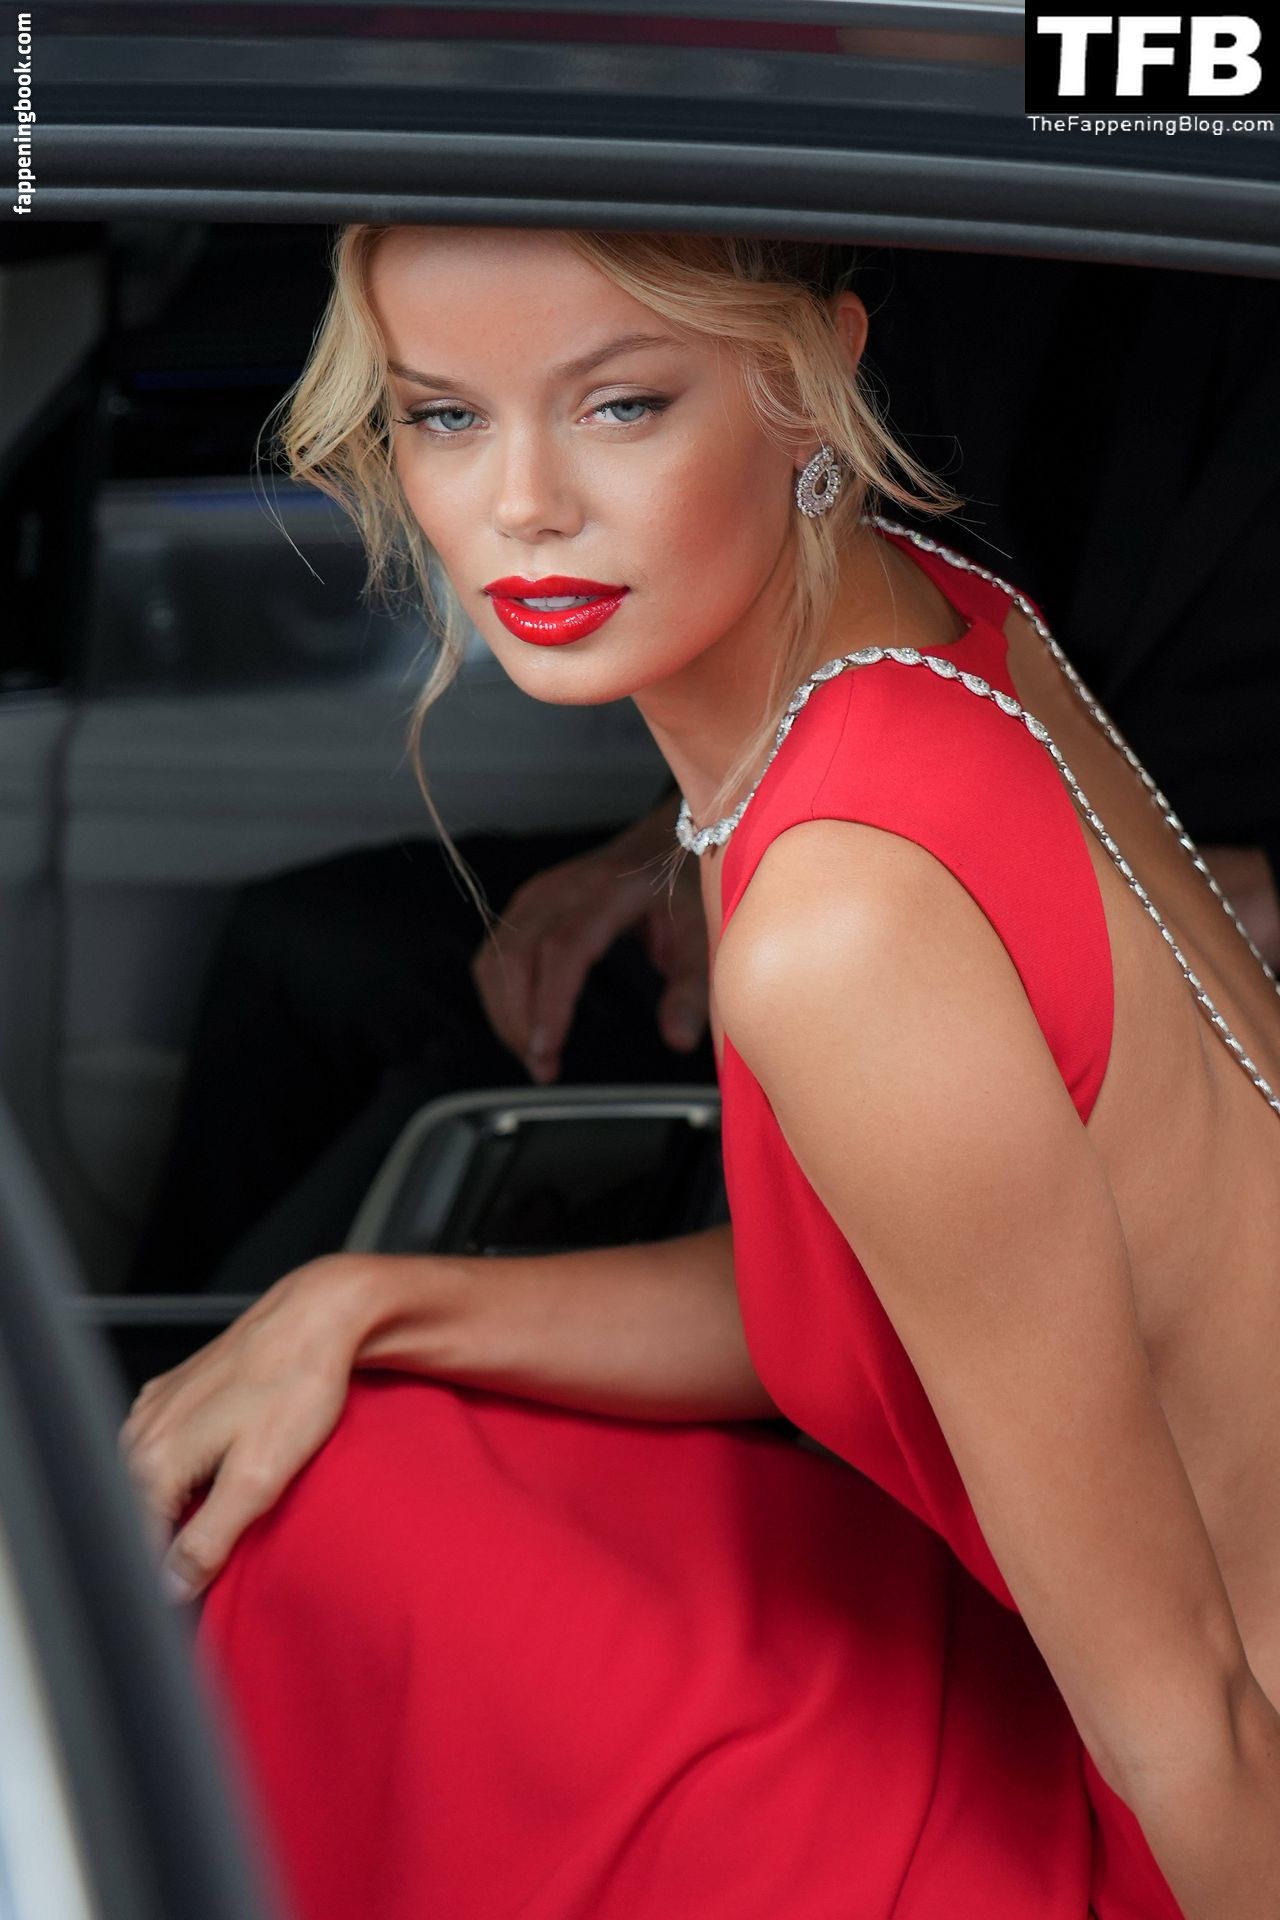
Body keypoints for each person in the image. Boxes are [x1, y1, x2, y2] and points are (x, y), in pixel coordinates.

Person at [116, 227, 1280, 1920]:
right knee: (356, 1471)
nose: (524, 508)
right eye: (445, 417)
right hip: (1102, 1672)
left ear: (813, 382)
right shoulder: (921, 627)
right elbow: (922, 1289)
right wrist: (362, 1301)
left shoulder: (840, 925)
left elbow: (1190, 1717)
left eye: (621, 406)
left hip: (1184, 1811)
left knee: (310, 1563)